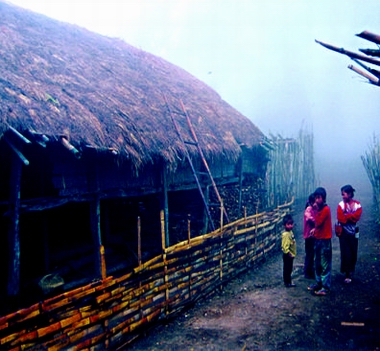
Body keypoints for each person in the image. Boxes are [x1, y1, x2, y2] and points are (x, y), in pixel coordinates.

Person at [307, 187, 332, 296]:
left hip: (325, 240)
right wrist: (315, 231)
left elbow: (319, 222)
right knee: (317, 262)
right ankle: (319, 282)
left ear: (324, 198)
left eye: (319, 198)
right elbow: (317, 226)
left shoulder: (326, 210)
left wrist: (316, 211)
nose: (317, 200)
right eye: (316, 198)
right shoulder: (320, 210)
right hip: (318, 239)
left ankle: (325, 286)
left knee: (324, 264)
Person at [337, 184, 362, 284]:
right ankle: (347, 273)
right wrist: (349, 217)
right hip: (343, 232)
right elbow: (341, 218)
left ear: (350, 194)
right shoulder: (340, 205)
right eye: (342, 194)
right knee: (345, 252)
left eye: (344, 194)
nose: (343, 196)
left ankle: (351, 270)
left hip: (353, 232)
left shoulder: (357, 205)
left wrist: (347, 216)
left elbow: (357, 217)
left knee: (353, 251)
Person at [281, 214, 296, 288]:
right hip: (287, 255)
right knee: (287, 269)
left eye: (291, 224)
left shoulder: (290, 232)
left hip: (291, 254)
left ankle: (289, 281)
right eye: (288, 224)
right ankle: (287, 282)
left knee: (289, 268)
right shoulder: (285, 235)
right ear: (284, 225)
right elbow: (284, 247)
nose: (290, 226)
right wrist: (288, 253)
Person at [303, 193, 316, 279]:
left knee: (312, 253)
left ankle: (310, 270)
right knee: (309, 254)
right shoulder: (309, 209)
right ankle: (307, 271)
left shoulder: (313, 209)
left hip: (312, 235)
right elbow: (310, 219)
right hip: (309, 235)